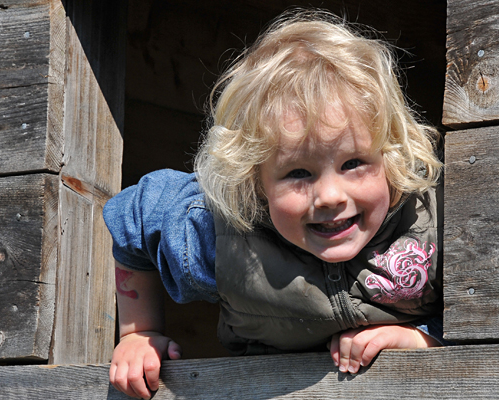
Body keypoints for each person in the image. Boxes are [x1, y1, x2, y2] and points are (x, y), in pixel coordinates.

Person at [104, 9, 445, 399]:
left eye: (353, 163)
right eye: (298, 173)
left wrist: (424, 340)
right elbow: (135, 216)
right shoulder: (224, 236)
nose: (331, 196)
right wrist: (139, 332)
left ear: (392, 156)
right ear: (255, 183)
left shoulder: (434, 221)